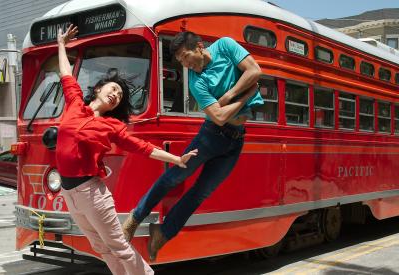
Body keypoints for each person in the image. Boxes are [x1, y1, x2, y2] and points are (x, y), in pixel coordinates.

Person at [56, 25, 197, 275]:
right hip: (70, 194)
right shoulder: (74, 104)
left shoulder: (112, 126)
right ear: (99, 89)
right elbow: (66, 74)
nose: (116, 95)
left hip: (91, 193)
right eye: (113, 89)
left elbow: (143, 148)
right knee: (101, 247)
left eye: (119, 95)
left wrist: (176, 158)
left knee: (118, 246)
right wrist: (61, 45)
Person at [122, 31, 263, 261]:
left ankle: (163, 233)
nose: (185, 64)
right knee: (174, 177)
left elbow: (255, 71)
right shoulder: (196, 81)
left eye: (185, 57)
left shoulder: (225, 46)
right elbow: (217, 116)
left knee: (201, 193)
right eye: (179, 61)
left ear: (199, 47)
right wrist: (247, 95)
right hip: (211, 135)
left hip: (236, 140)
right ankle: (135, 218)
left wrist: (228, 96)